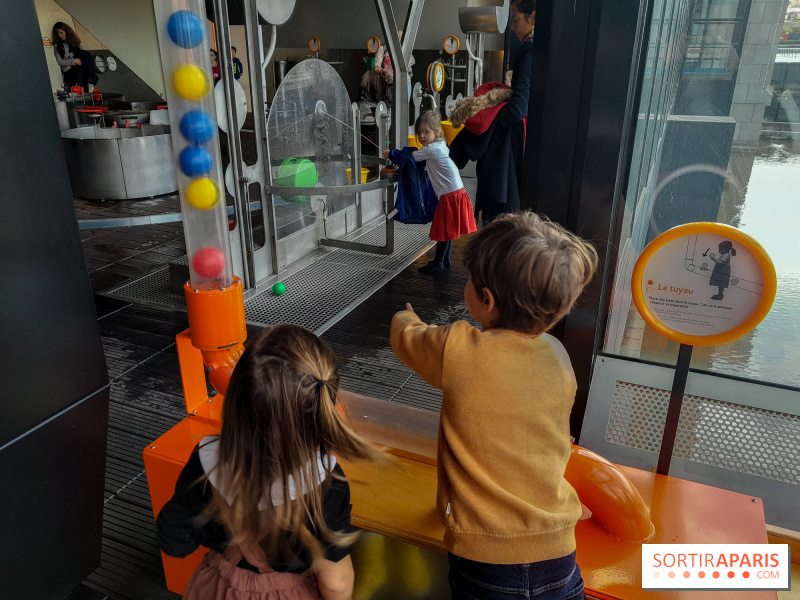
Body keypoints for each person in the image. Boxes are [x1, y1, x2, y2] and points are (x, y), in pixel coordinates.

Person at [390, 212, 597, 600]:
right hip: (559, 553)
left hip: (484, 559)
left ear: (485, 300)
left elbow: (407, 339)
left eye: (470, 280)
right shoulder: (557, 356)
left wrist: (405, 315)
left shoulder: (459, 349)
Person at [157, 324, 383, 600]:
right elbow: (335, 581)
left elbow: (175, 541)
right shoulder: (327, 481)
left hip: (217, 588)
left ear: (235, 402)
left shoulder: (206, 462)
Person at [449, 0, 535, 225]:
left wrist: (494, 122)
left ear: (532, 18)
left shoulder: (528, 49)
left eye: (515, 20)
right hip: (517, 140)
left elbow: (518, 108)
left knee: (498, 207)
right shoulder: (538, 48)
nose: (513, 27)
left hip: (507, 144)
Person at [385, 111, 476, 273]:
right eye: (419, 132)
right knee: (448, 230)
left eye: (426, 132)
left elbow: (410, 157)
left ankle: (438, 263)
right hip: (457, 193)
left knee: (443, 230)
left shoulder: (432, 150)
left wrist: (391, 154)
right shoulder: (442, 145)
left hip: (450, 196)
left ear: (437, 132)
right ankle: (445, 259)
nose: (422, 136)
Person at [374, 30, 415, 102]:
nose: (399, 40)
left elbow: (411, 60)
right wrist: (379, 68)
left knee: (404, 104)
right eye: (397, 37)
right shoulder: (384, 48)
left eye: (401, 38)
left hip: (404, 80)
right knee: (389, 103)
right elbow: (377, 64)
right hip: (389, 80)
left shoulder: (405, 48)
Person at [51, 22, 88, 90]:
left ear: (67, 32)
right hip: (69, 73)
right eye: (57, 33)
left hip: (81, 72)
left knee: (84, 94)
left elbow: (84, 57)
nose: (60, 35)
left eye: (61, 33)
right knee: (71, 95)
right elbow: (60, 62)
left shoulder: (75, 42)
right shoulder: (57, 45)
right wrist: (74, 61)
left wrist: (80, 61)